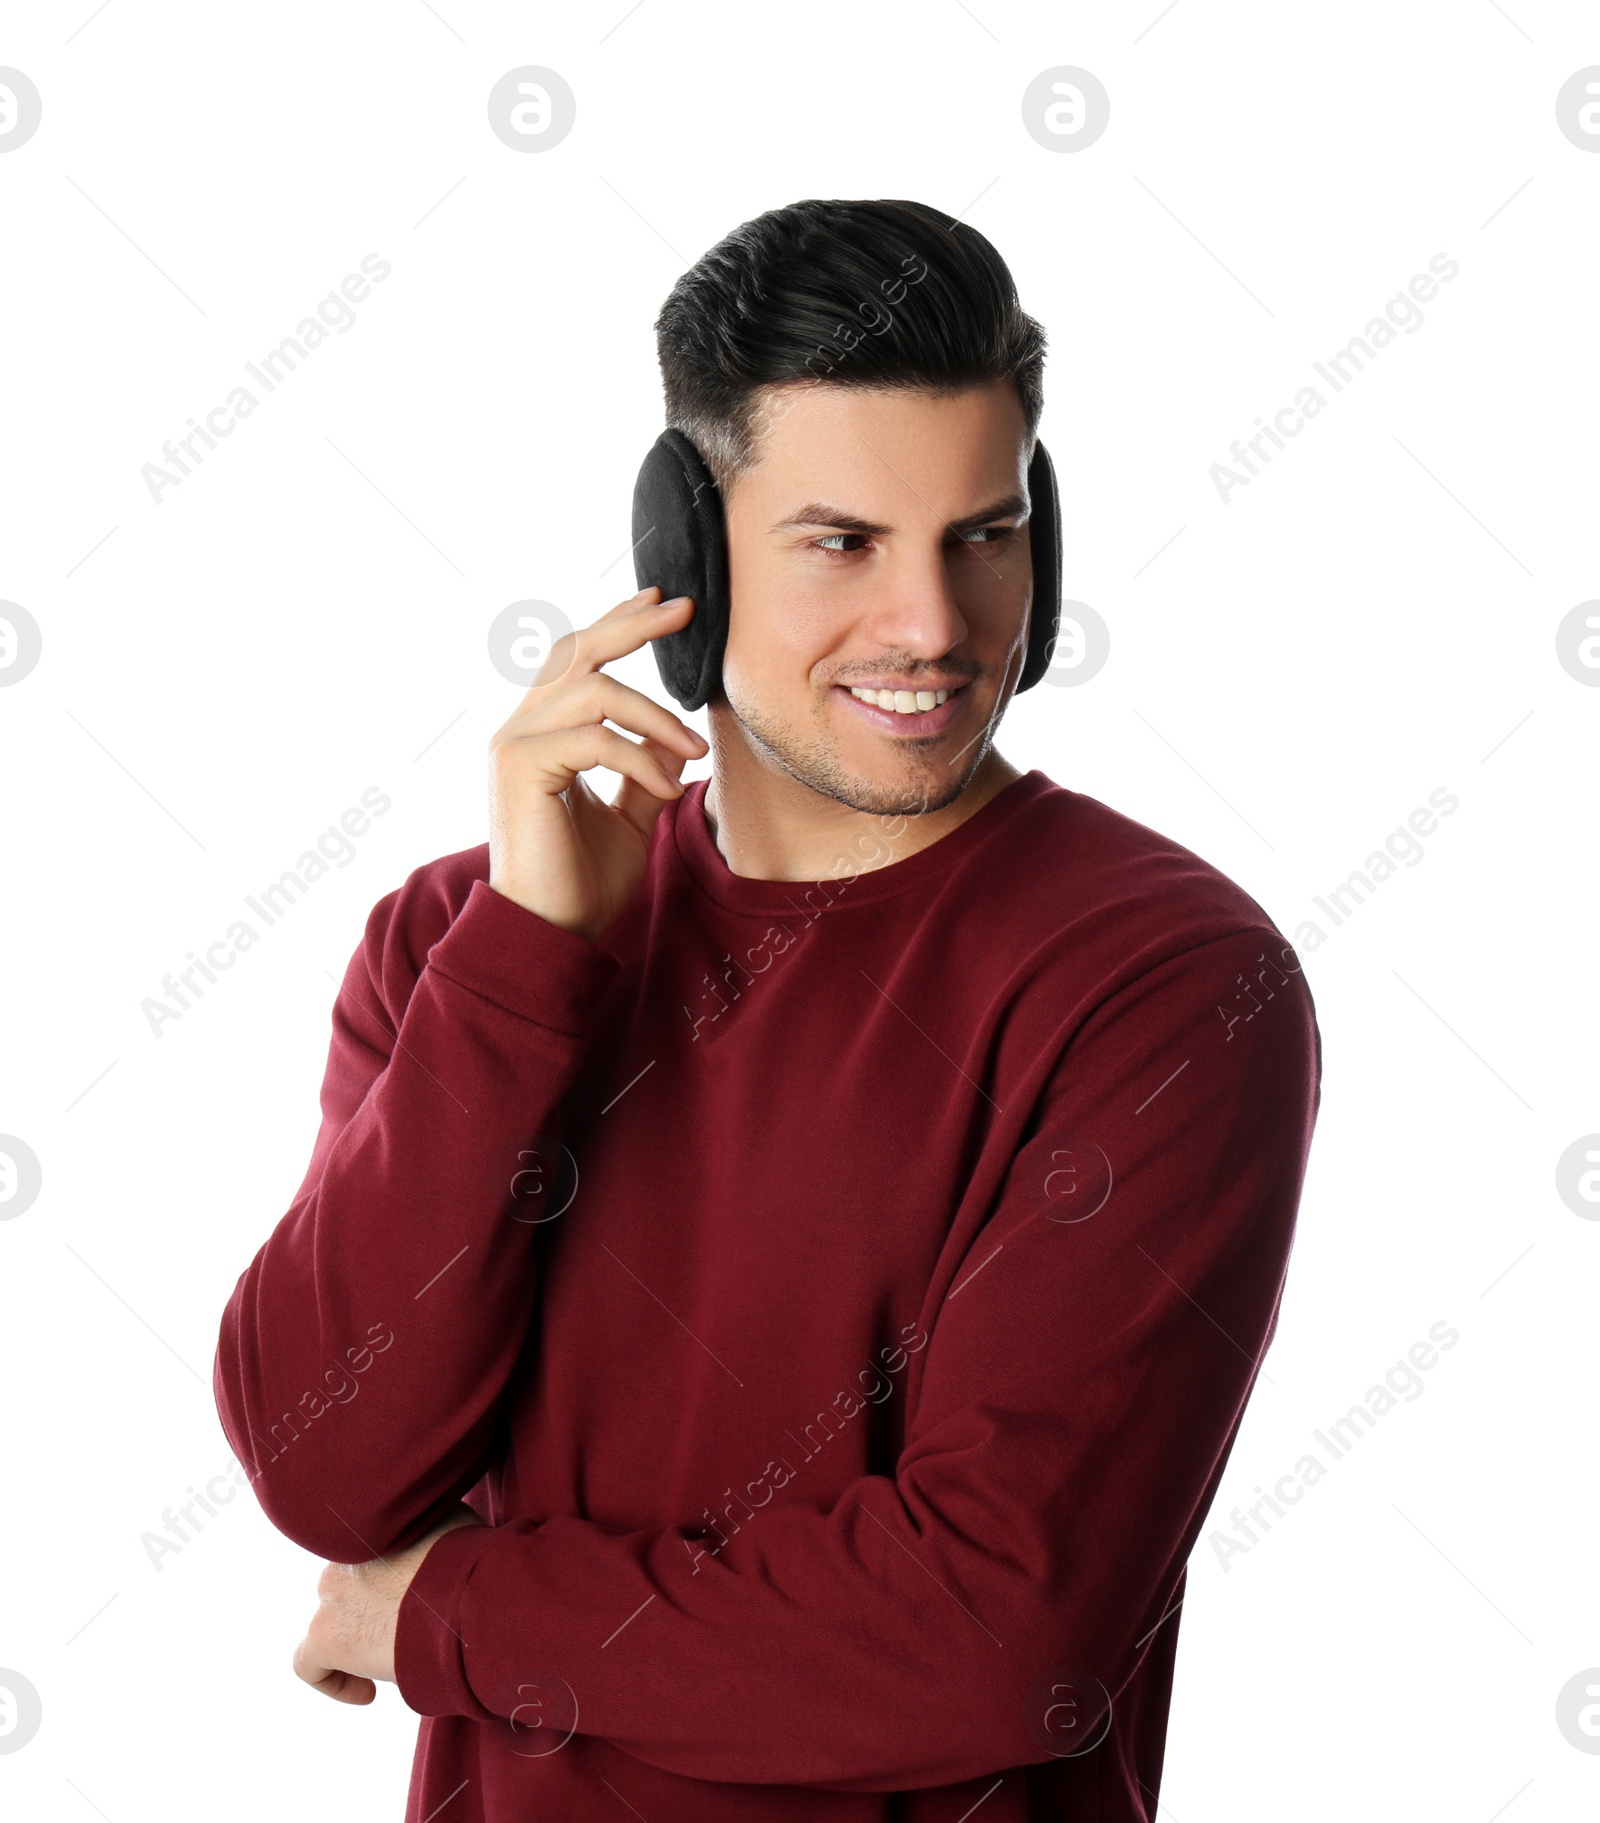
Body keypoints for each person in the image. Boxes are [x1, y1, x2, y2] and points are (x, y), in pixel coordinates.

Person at [212, 196, 1321, 1822]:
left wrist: (442, 1611)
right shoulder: (468, 937)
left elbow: (994, 1633)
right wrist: (530, 965)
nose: (936, 629)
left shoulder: (1162, 983)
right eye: (842, 542)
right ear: (685, 558)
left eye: (984, 534)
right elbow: (325, 1460)